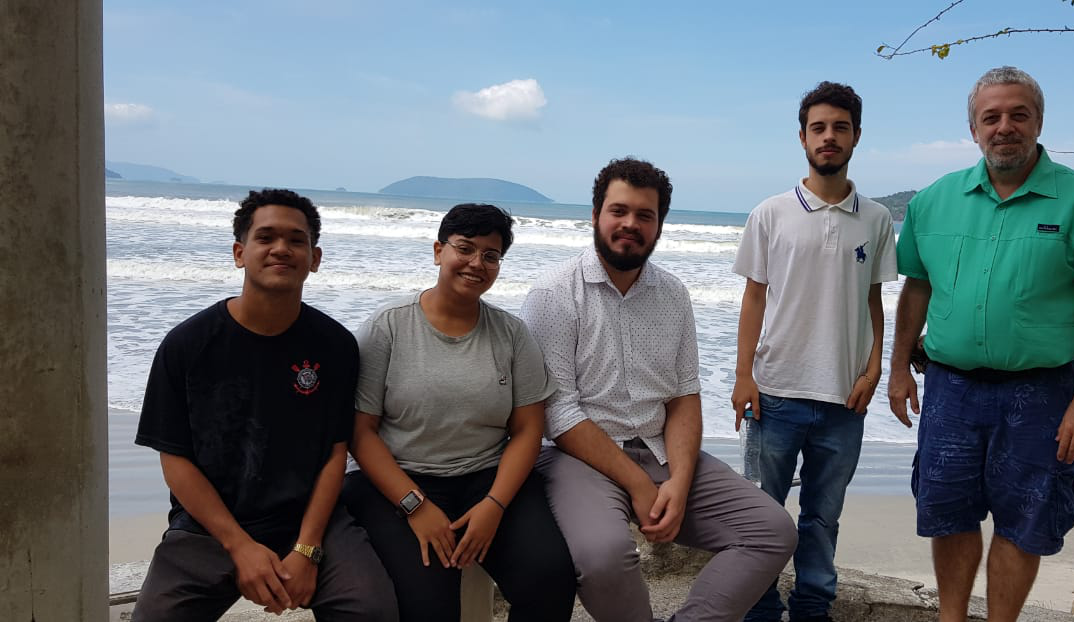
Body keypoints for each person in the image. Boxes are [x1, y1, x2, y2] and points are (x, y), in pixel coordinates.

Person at [887, 66, 1074, 622]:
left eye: (1018, 115)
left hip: (1043, 393)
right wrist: (898, 367)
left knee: (1025, 519)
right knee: (948, 513)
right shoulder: (934, 200)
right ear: (973, 129)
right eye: (991, 117)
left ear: (1039, 122)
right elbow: (916, 289)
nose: (1005, 127)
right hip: (950, 389)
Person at [520, 157, 797, 622]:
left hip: (659, 449)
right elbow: (558, 412)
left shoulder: (672, 294)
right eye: (619, 211)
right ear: (595, 215)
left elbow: (684, 396)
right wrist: (638, 485)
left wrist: (679, 483)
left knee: (771, 530)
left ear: (660, 225)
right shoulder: (553, 293)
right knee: (604, 556)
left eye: (645, 216)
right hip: (579, 458)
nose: (631, 224)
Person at [131, 188, 396, 621]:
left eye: (296, 240)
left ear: (315, 258)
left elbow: (335, 452)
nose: (281, 249)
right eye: (266, 237)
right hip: (208, 527)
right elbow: (175, 459)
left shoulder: (334, 346)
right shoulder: (188, 344)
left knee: (371, 609)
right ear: (240, 253)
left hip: (309, 520)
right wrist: (239, 546)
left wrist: (307, 550)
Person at [341, 203, 576, 622]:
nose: (476, 264)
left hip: (487, 477)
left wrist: (494, 505)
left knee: (551, 579)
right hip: (400, 481)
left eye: (491, 255)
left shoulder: (511, 334)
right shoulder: (389, 326)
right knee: (429, 603)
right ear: (438, 251)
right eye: (465, 248)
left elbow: (527, 430)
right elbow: (361, 433)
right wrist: (415, 506)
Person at [733, 81, 900, 622]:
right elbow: (754, 297)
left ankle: (812, 608)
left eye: (840, 127)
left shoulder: (875, 219)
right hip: (776, 391)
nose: (829, 137)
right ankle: (760, 608)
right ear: (802, 137)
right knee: (761, 514)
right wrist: (743, 375)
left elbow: (873, 299)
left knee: (824, 516)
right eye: (819, 127)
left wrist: (874, 368)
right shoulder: (771, 213)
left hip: (843, 397)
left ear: (856, 137)